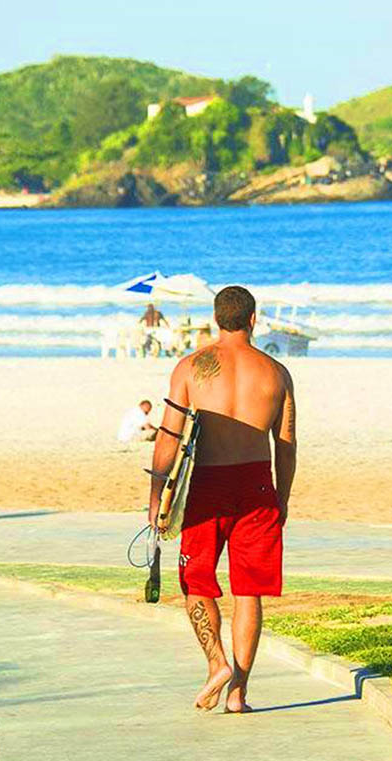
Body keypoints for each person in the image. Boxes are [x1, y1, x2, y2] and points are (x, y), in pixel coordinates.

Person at [150, 285, 296, 714]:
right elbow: (286, 444)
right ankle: (239, 694)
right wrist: (281, 497)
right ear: (254, 320)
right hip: (257, 485)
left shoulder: (191, 367)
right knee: (248, 592)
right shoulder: (277, 373)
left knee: (197, 583)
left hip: (208, 486)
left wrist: (157, 495)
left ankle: (217, 663)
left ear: (216, 320)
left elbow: (169, 437)